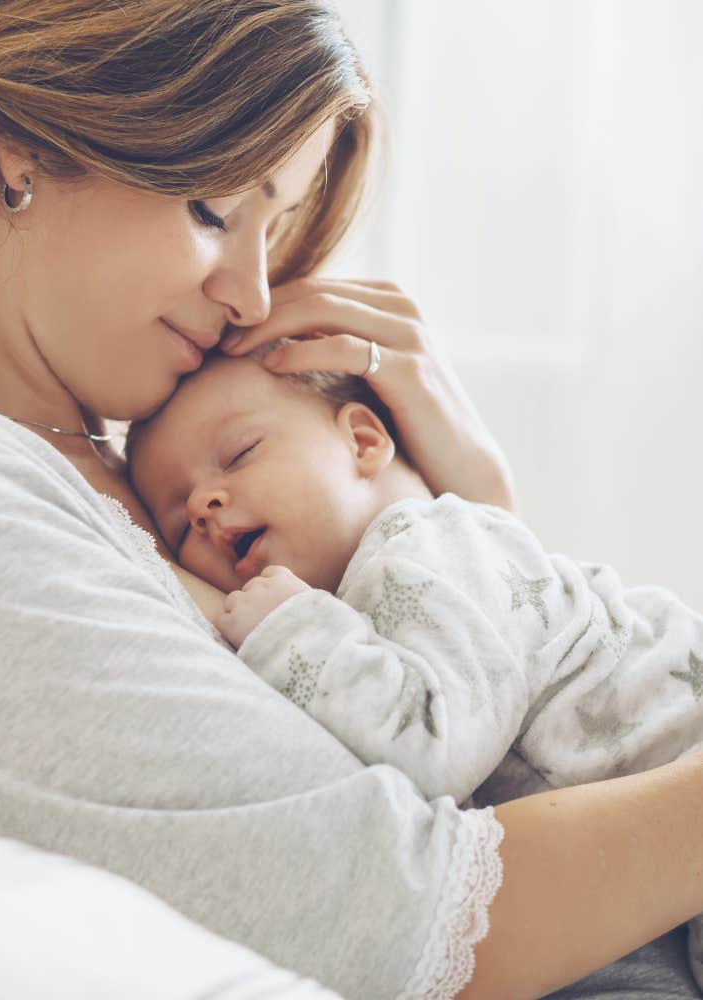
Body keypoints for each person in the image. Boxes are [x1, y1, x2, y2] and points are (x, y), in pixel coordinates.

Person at [0, 2, 703, 998]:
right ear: (17, 163)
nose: (254, 297)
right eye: (215, 211)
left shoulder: (127, 454)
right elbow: (403, 913)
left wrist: (472, 513)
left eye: (278, 229)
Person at [128, 346, 703, 991]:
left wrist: (289, 627)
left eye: (238, 454)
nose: (204, 503)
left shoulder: (432, 543)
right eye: (178, 524)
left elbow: (435, 750)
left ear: (364, 441)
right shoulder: (371, 603)